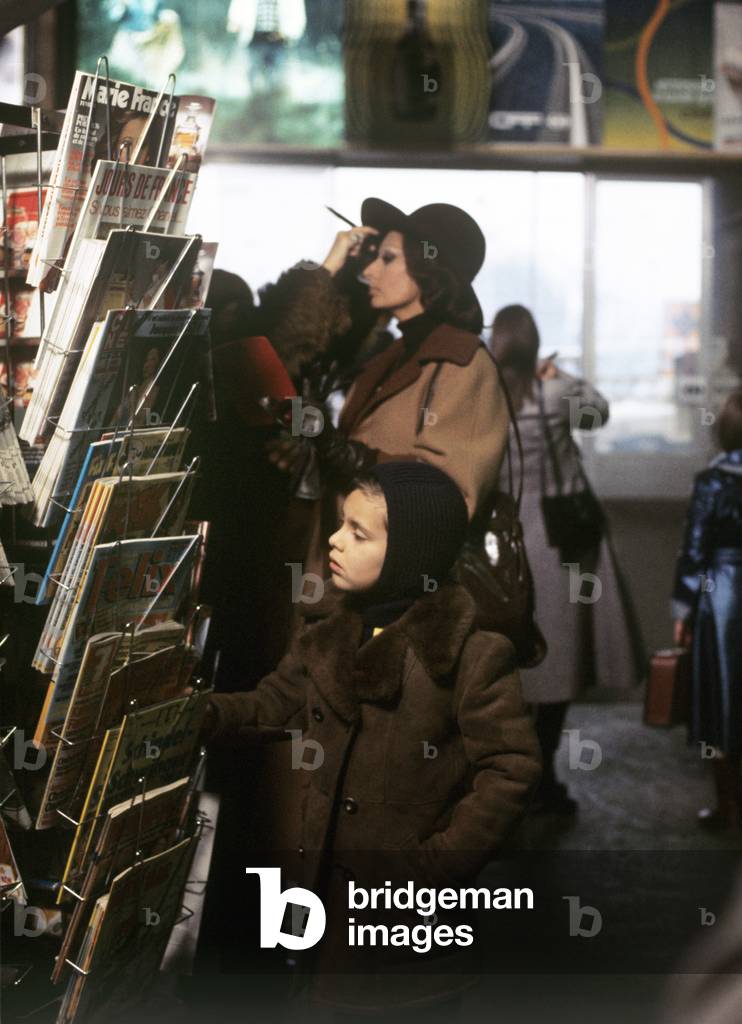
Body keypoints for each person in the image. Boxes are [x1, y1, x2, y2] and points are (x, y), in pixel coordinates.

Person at [202, 460, 541, 1018]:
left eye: (358, 533)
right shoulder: (329, 630)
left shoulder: (470, 656)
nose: (334, 541)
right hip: (324, 904)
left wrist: (434, 870)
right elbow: (269, 705)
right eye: (341, 524)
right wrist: (187, 716)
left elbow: (512, 770)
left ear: (409, 553)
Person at [266, 198, 511, 579]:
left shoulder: (461, 361)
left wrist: (349, 457)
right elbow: (292, 345)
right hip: (355, 572)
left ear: (428, 269)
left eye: (388, 259)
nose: (370, 270)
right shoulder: (394, 354)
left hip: (404, 590)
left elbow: (449, 497)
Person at [490, 304, 643, 814]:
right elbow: (599, 411)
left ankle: (511, 779)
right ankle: (543, 777)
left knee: (514, 666)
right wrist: (561, 374)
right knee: (560, 659)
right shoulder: (554, 393)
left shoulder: (487, 397)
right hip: (562, 538)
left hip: (508, 538)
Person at [672, 390, 742, 832]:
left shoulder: (711, 482)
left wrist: (682, 611)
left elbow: (694, 553)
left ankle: (729, 809)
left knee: (720, 699)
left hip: (723, 597)